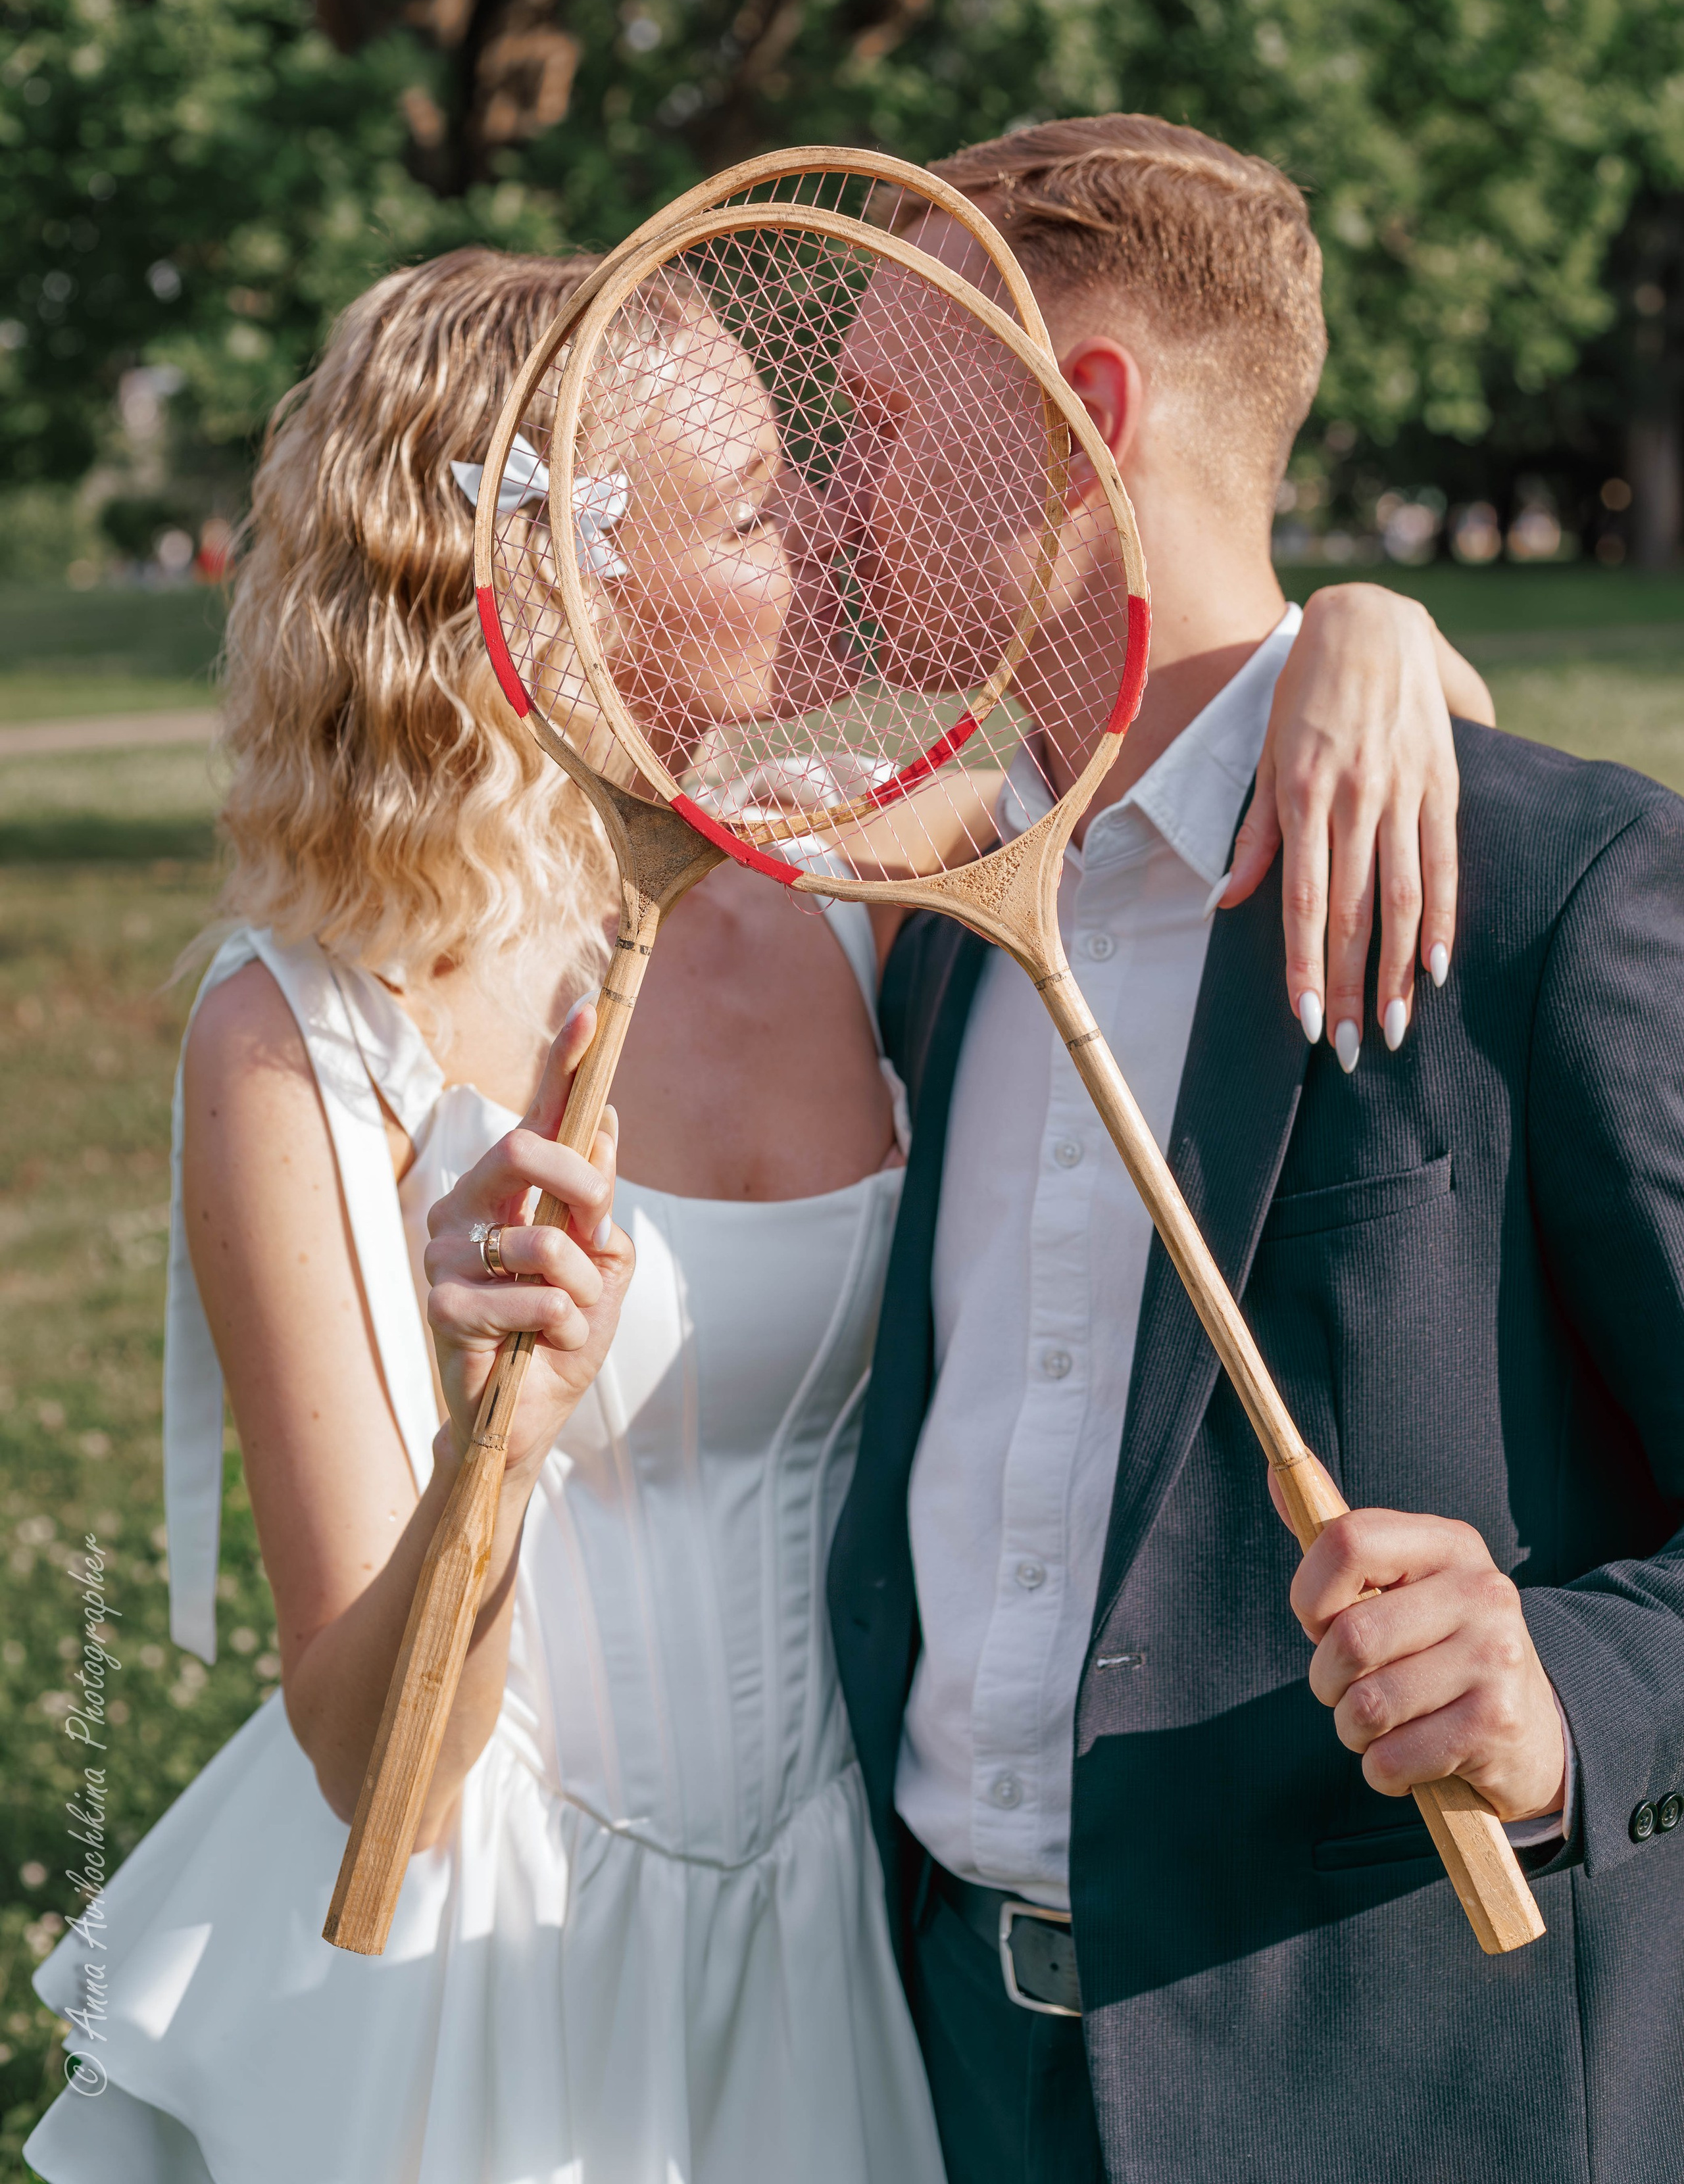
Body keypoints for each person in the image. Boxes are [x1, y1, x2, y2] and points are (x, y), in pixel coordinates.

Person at [29, 234, 1486, 2184]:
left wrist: (1366, 635)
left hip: (837, 1931)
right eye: (751, 503)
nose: (831, 522)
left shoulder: (852, 879)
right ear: (559, 577)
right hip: (479, 1974)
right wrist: (499, 1450)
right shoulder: (299, 1035)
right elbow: (381, 1766)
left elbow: (1207, 732)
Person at [826, 113, 1684, 2184]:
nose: (815, 492)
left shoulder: (1554, 894)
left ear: (1084, 411)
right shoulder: (930, 936)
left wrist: (1558, 1689)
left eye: (862, 422)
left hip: (1385, 2090)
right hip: (938, 2066)